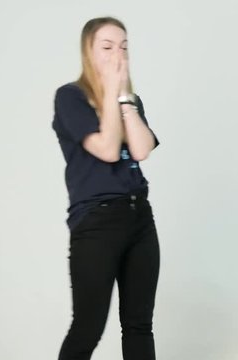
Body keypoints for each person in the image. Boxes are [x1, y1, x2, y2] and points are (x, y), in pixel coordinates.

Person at [52, 17, 160, 360]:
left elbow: (141, 149)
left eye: (124, 47)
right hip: (96, 223)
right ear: (89, 51)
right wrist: (111, 92)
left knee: (139, 324)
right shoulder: (71, 97)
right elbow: (109, 149)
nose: (118, 54)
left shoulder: (132, 100)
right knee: (88, 326)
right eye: (108, 46)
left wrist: (125, 98)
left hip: (139, 218)